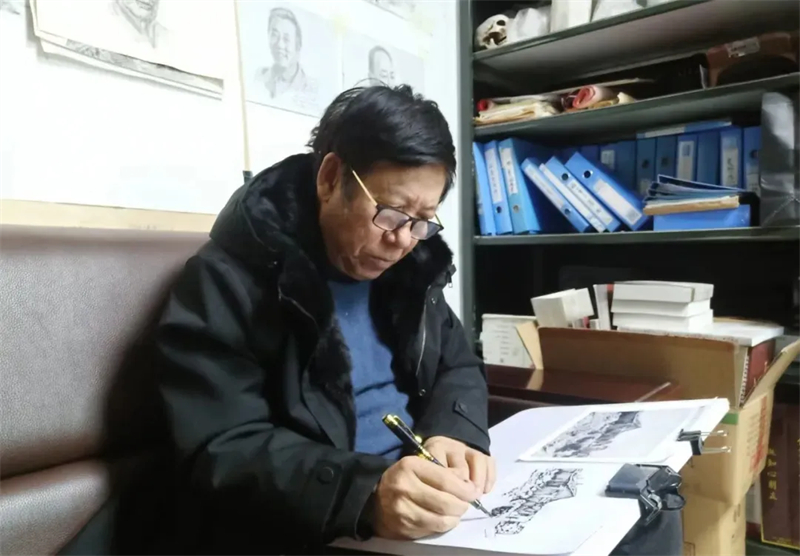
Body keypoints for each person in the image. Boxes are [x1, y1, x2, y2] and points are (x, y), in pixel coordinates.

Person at [153, 84, 495, 554]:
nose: (402, 240)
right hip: (312, 528)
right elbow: (221, 447)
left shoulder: (412, 267)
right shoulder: (230, 280)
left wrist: (453, 432)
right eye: (392, 213)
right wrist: (367, 494)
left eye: (423, 220)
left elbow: (458, 364)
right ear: (331, 178)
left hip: (422, 516)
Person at [256, 7, 315, 99]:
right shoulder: (258, 78)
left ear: (298, 45)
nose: (280, 45)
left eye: (286, 39)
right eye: (274, 36)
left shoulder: (312, 90)